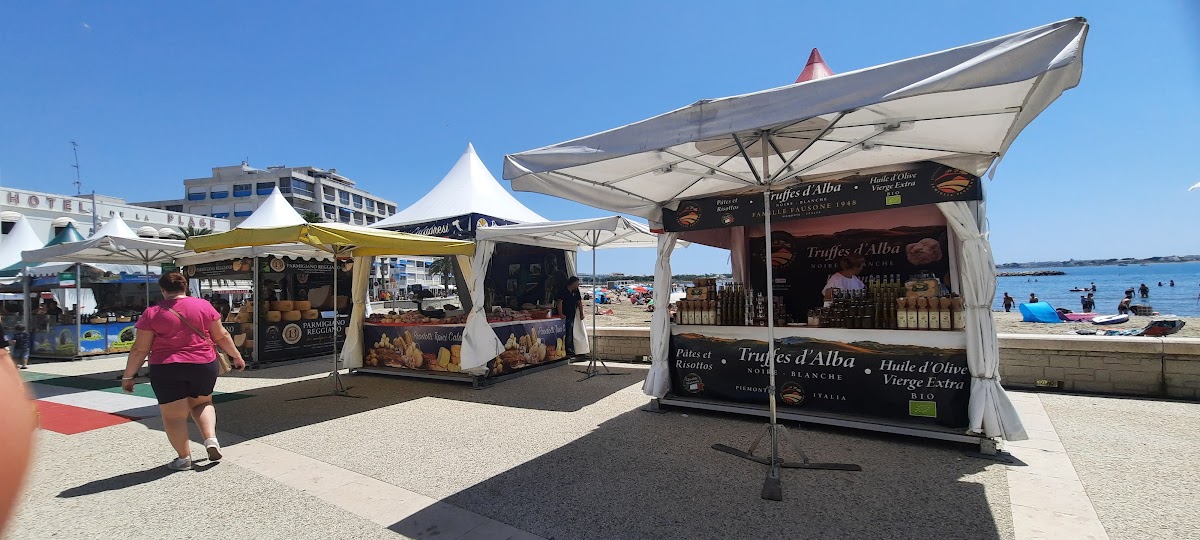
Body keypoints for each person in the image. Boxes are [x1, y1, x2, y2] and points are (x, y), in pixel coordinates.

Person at [121, 272, 246, 471]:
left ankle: (184, 458)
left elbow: (140, 349)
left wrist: (129, 375)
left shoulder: (152, 313)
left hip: (167, 367)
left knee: (174, 416)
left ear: (163, 290)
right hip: (203, 364)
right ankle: (211, 439)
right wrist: (236, 356)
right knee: (203, 402)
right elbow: (221, 335)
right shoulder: (204, 306)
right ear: (185, 287)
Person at [556, 276, 584, 356]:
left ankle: (570, 348)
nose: (578, 285)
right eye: (577, 284)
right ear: (573, 283)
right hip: (564, 314)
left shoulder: (576, 291)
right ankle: (566, 348)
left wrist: (581, 313)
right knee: (565, 332)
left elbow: (579, 302)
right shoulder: (563, 291)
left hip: (572, 314)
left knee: (570, 331)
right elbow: (559, 303)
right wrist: (561, 314)